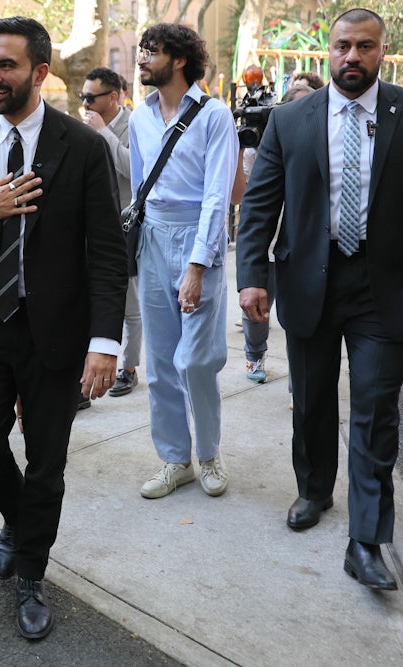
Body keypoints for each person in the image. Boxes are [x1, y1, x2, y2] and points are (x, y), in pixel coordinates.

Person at [237, 9, 403, 590]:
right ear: (329, 53)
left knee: (373, 408)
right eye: (343, 46)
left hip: (385, 287)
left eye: (365, 47)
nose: (352, 57)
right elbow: (260, 205)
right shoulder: (289, 120)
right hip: (308, 283)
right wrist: (251, 275)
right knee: (312, 399)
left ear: (382, 53)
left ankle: (366, 540)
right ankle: (313, 490)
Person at [0, 16, 126, 639]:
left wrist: (104, 343)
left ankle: (32, 575)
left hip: (55, 333)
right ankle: (19, 521)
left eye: (6, 66)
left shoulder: (83, 146)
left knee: (47, 462)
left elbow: (105, 252)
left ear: (40, 72)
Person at [130, 23, 237, 500]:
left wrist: (197, 264)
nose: (141, 60)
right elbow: (138, 189)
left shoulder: (215, 115)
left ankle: (209, 454)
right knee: (159, 363)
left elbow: (218, 196)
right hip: (153, 237)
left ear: (177, 60)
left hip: (200, 240)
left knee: (195, 360)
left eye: (150, 52)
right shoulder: (139, 117)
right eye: (141, 51)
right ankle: (176, 459)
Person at [232, 83, 314, 384]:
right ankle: (254, 356)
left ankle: (299, 379)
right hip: (267, 244)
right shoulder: (262, 146)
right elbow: (241, 197)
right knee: (257, 311)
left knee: (302, 317)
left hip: (303, 246)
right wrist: (241, 145)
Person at [82, 66, 142, 399]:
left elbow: (135, 172)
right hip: (93, 225)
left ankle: (128, 367)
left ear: (114, 96)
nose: (86, 103)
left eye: (91, 97)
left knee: (129, 302)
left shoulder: (134, 124)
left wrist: (103, 131)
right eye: (83, 97)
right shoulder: (87, 126)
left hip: (125, 225)